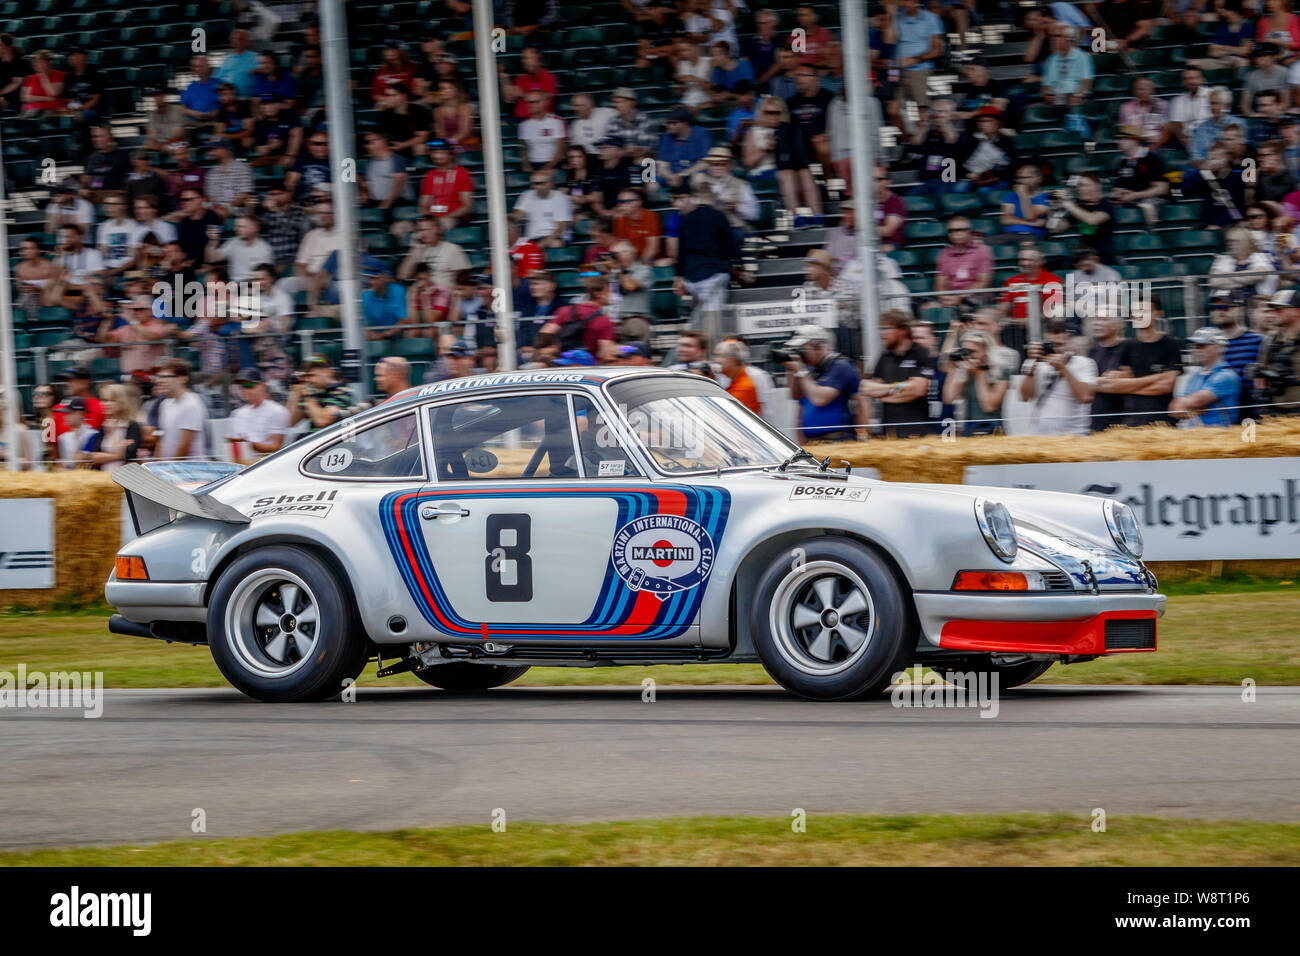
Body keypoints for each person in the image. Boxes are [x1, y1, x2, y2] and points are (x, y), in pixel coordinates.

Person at [1096, 307, 1183, 426]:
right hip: (1132, 422)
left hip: (1163, 422)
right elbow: (1113, 384)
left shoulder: (1171, 344)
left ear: (1157, 313)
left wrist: (1129, 385)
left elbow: (1166, 386)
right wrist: (1157, 378)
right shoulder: (1127, 346)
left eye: (1145, 310)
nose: (1139, 315)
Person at [672, 182, 740, 328]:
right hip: (713, 276)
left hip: (692, 278)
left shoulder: (685, 219)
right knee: (712, 326)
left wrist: (679, 276)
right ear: (713, 198)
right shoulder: (718, 216)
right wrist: (737, 265)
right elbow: (731, 245)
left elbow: (680, 252)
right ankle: (710, 348)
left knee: (699, 321)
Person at [1019, 319, 1099, 435]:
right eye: (1050, 344)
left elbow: (1085, 397)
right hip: (1039, 438)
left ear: (1069, 343)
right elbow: (1025, 396)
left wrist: (1063, 369)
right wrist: (1031, 368)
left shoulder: (1084, 363)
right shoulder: (1036, 364)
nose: (1055, 349)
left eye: (1060, 344)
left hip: (1073, 438)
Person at [859, 312, 933, 438]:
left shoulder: (920, 353)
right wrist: (903, 389)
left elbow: (919, 389)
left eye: (887, 328)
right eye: (881, 329)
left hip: (916, 433)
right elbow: (866, 388)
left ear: (903, 330)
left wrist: (884, 392)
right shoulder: (885, 356)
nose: (882, 334)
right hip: (889, 433)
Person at [784, 324, 859, 443]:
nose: (800, 354)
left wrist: (801, 371)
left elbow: (820, 399)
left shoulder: (840, 366)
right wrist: (793, 370)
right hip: (812, 441)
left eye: (802, 349)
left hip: (836, 440)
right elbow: (795, 395)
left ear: (819, 347)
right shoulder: (809, 369)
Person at [940, 329, 1011, 435]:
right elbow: (948, 399)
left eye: (972, 351)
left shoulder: (1002, 369)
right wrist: (954, 369)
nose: (968, 356)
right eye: (965, 351)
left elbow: (989, 407)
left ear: (986, 351)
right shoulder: (965, 368)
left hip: (992, 426)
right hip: (969, 426)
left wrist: (979, 374)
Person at [1170, 327, 1242, 427]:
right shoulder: (1196, 375)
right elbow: (1175, 409)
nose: (1196, 350)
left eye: (1202, 345)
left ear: (1217, 347)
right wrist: (1190, 406)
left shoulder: (1226, 376)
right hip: (1198, 437)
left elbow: (1194, 402)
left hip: (1218, 438)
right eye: (1196, 346)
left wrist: (1189, 406)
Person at [1050, 173, 1117, 263]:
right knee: (1059, 268)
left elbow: (1092, 220)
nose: (1080, 189)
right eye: (1078, 186)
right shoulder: (1079, 207)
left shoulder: (1106, 206)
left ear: (1098, 186)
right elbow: (1054, 228)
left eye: (1084, 185)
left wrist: (1068, 204)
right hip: (1081, 258)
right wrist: (1055, 209)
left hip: (1101, 258)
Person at [226, 368, 289, 463]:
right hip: (242, 467)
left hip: (267, 466)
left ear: (262, 386)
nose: (245, 390)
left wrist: (248, 444)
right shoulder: (237, 414)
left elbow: (276, 447)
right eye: (242, 386)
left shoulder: (277, 411)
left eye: (249, 385)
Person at [1112, 126, 1171, 227]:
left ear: (1135, 140)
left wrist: (1136, 195)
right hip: (1132, 199)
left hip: (1152, 199)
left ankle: (1150, 234)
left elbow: (1162, 188)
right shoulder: (1123, 162)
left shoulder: (1152, 158)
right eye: (1119, 139)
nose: (1120, 142)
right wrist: (1120, 192)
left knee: (1147, 205)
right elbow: (1118, 188)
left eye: (1124, 139)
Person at [154, 358, 209, 461]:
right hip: (168, 470)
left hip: (191, 471)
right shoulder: (165, 404)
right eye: (159, 377)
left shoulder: (191, 403)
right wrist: (158, 467)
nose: (159, 381)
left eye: (166, 377)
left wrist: (169, 470)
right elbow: (161, 439)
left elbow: (184, 447)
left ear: (183, 378)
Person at [1256, 289, 1300, 415]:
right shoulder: (1269, 342)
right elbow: (1260, 381)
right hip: (1277, 416)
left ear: (1297, 311)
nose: (1274, 313)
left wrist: (1292, 378)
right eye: (1273, 309)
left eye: (1279, 309)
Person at [935, 215, 994, 306]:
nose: (955, 234)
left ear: (969, 231)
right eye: (951, 231)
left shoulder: (983, 250)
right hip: (951, 297)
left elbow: (983, 282)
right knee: (930, 307)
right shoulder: (944, 254)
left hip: (976, 296)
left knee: (964, 307)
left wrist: (961, 297)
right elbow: (940, 284)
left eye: (960, 230)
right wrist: (946, 297)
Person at [289, 355, 354, 432]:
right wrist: (296, 392)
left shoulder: (343, 392)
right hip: (317, 442)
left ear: (328, 372)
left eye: (311, 375)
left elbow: (322, 421)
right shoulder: (314, 394)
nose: (307, 380)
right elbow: (290, 422)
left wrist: (307, 395)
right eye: (305, 376)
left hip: (336, 442)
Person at [511, 169, 572, 248]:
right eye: (534, 183)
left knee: (555, 244)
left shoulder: (560, 197)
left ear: (550, 184)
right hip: (532, 238)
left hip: (554, 237)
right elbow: (516, 217)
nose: (536, 187)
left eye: (540, 183)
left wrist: (543, 243)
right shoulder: (527, 195)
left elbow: (561, 228)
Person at [714, 338, 761, 415]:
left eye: (719, 356)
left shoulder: (743, 388)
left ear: (732, 360)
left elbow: (722, 414)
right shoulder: (734, 381)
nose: (716, 360)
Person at [55, 397, 96, 469]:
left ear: (80, 414)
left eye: (69, 413)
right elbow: (62, 463)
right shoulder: (63, 438)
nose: (65, 417)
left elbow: (83, 460)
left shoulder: (93, 435)